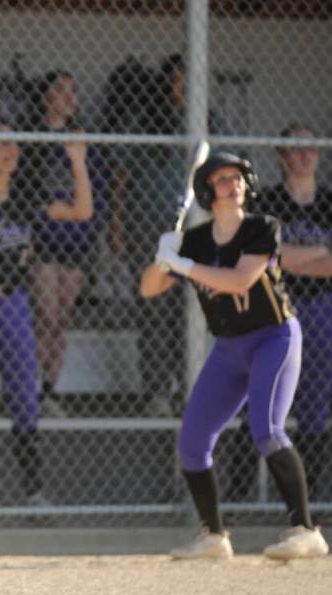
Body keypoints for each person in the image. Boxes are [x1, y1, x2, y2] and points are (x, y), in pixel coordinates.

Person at [140, 151, 329, 561]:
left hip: (273, 339)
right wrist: (163, 257)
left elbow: (239, 279)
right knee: (192, 441)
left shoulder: (262, 228)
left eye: (238, 177)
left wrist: (184, 265)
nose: (233, 183)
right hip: (229, 348)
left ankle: (306, 529)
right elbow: (149, 288)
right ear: (208, 191)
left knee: (267, 430)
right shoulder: (196, 240)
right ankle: (213, 537)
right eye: (223, 179)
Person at [0, 121, 92, 505]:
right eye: (0, 143)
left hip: (13, 300)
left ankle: (33, 489)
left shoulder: (25, 194)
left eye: (14, 143)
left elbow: (82, 211)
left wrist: (78, 162)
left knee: (26, 393)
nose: (10, 150)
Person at [109, 53, 227, 417]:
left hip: (196, 230)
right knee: (154, 309)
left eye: (191, 80)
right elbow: (121, 180)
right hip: (149, 225)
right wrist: (117, 225)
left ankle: (187, 388)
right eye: (178, 79)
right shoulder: (146, 121)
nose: (184, 87)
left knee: (188, 310)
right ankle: (157, 391)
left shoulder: (210, 123)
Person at [255, 124, 332, 494]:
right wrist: (318, 252)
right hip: (276, 308)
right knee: (262, 398)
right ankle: (238, 497)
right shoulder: (266, 202)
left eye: (312, 147)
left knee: (315, 403)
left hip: (323, 308)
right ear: (281, 157)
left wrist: (290, 259)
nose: (306, 155)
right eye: (296, 148)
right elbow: (264, 258)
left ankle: (305, 501)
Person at [24, 71, 101, 417]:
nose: (70, 97)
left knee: (61, 320)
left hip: (76, 240)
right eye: (61, 90)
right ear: (46, 97)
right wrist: (52, 211)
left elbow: (93, 191)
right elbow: (28, 192)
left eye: (74, 91)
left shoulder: (82, 140)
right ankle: (35, 388)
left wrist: (74, 213)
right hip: (44, 240)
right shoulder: (34, 139)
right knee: (46, 314)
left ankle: (50, 389)